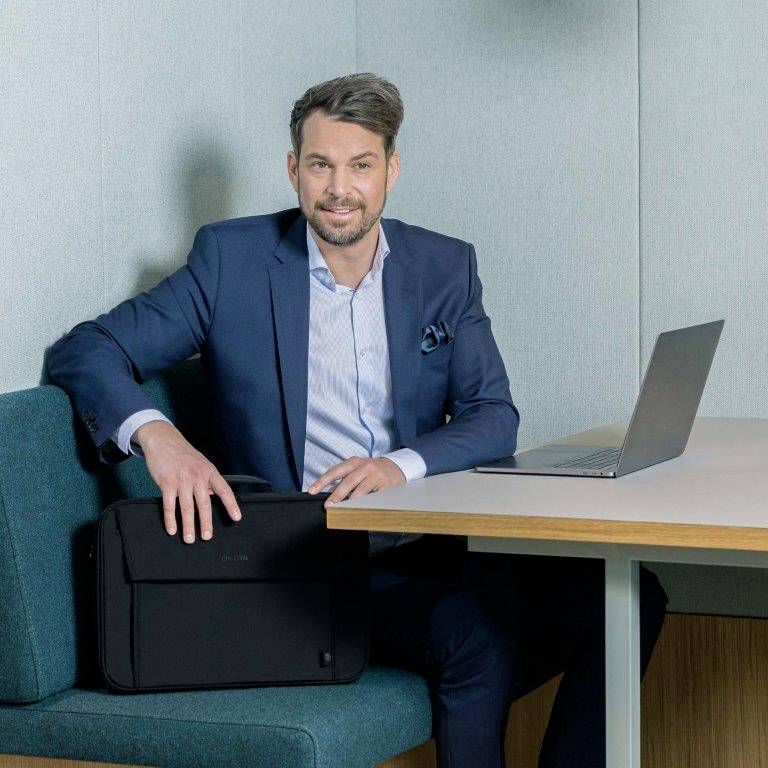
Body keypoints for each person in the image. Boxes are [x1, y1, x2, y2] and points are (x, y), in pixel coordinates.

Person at [47, 72, 668, 767]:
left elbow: (494, 416)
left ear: (391, 170)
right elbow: (87, 349)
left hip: (429, 548)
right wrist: (157, 437)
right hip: (298, 565)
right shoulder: (232, 262)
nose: (339, 187)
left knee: (628, 598)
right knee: (477, 641)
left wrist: (393, 467)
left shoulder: (442, 266)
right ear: (294, 169)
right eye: (320, 164)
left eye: (360, 165)